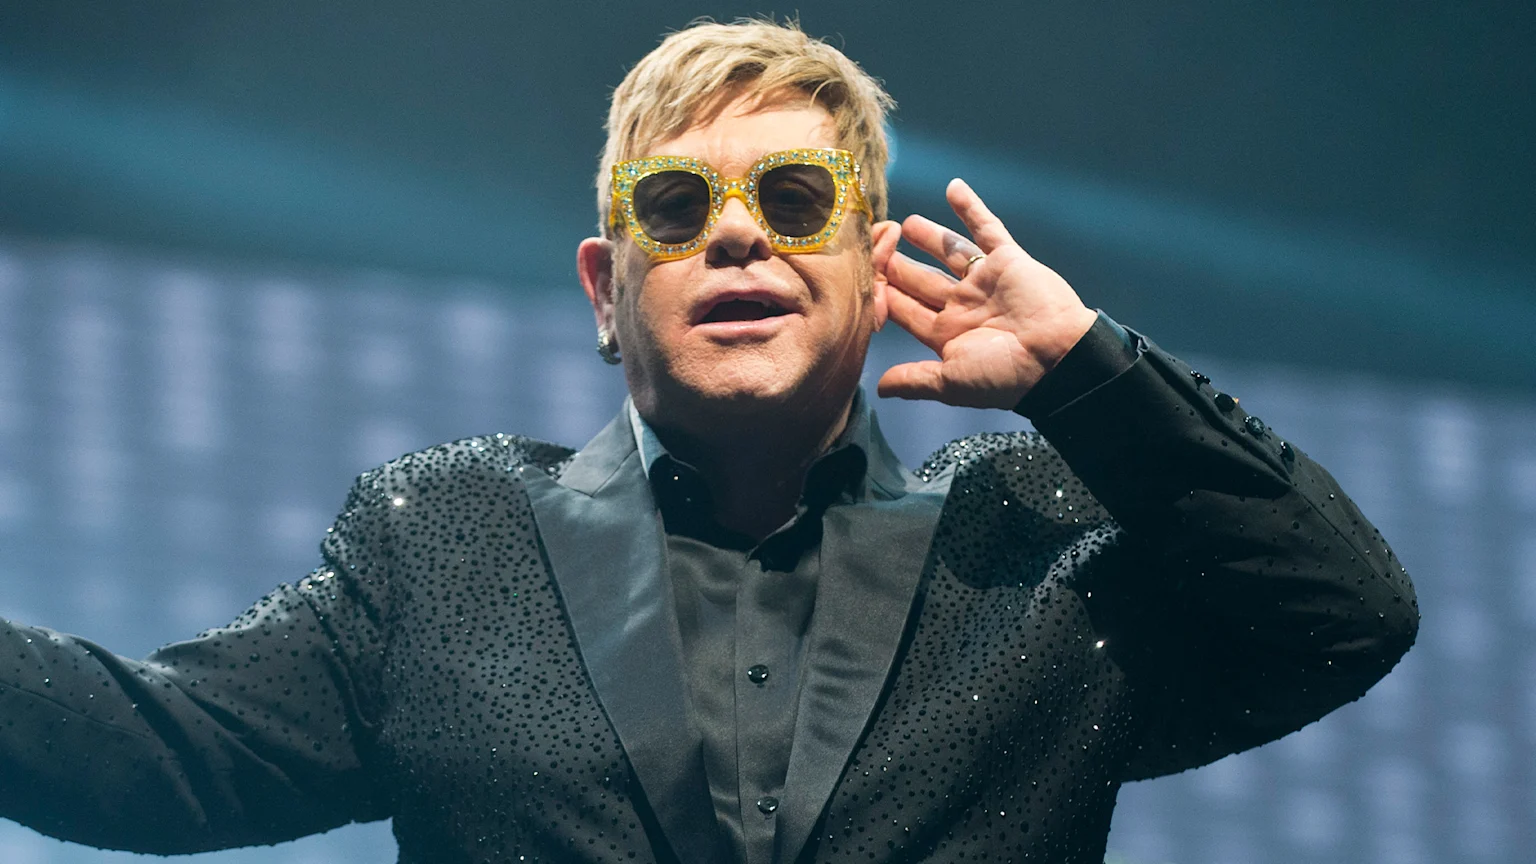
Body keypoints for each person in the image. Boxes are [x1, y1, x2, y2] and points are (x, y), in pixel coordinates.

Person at [0, 18, 1416, 864]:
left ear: (874, 273)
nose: (736, 228)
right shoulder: (446, 539)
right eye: (675, 208)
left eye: (794, 196)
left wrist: (1095, 378)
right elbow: (152, 751)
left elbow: (1342, 616)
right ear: (606, 292)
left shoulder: (1036, 547)